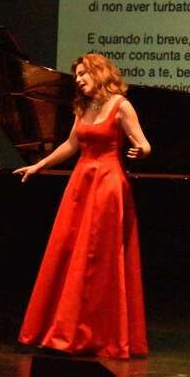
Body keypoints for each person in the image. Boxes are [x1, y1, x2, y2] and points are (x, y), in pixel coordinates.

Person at [14, 53, 151, 358]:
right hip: (81, 182)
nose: (77, 80)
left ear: (98, 73)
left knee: (97, 257)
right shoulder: (85, 106)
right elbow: (71, 145)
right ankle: (66, 330)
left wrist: (139, 151)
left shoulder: (120, 105)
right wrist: (40, 166)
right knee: (69, 252)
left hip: (107, 184)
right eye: (76, 75)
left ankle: (98, 335)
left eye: (82, 74)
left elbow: (143, 143)